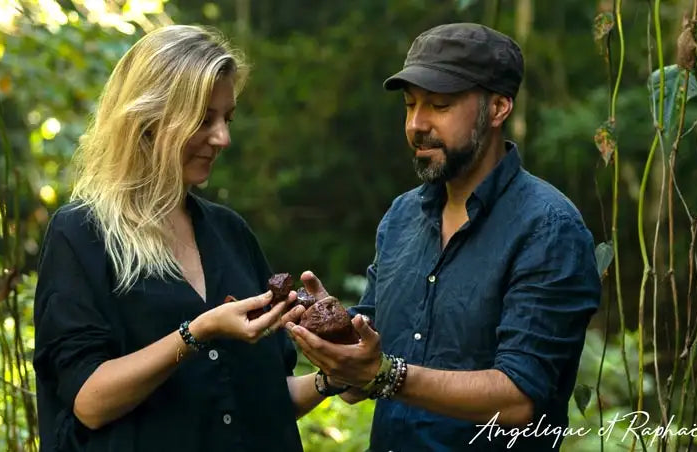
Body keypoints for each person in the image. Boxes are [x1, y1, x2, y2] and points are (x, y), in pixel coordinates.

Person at [285, 23, 601, 451]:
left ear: (498, 108)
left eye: (439, 105)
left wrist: (384, 374)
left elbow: (520, 398)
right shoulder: (401, 217)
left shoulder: (547, 228)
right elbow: (363, 371)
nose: (416, 124)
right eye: (410, 105)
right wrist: (338, 336)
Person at [33, 25, 329, 452]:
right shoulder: (80, 234)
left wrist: (332, 376)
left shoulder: (230, 233)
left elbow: (263, 398)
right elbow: (89, 402)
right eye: (203, 119)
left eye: (227, 118)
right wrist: (197, 332)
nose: (223, 138)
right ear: (148, 119)